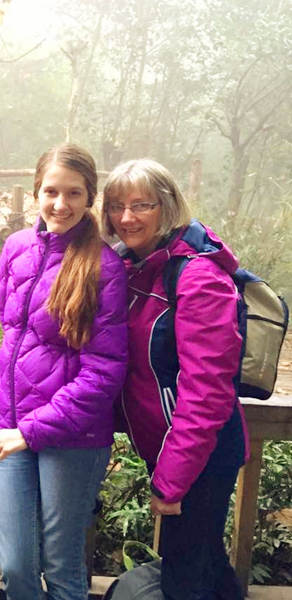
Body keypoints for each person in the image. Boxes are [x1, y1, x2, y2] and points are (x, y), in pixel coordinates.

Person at [0, 143, 128, 599]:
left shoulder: (105, 267)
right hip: (7, 425)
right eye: (51, 192)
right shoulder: (15, 247)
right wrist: (12, 419)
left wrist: (32, 430)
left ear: (90, 199)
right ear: (35, 193)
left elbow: (103, 372)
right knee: (17, 567)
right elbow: (10, 328)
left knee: (62, 567)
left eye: (74, 194)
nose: (60, 204)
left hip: (73, 438)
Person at [102, 159, 247, 599]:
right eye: (116, 206)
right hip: (168, 449)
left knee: (185, 579)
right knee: (206, 566)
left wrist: (171, 480)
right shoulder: (136, 267)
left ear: (167, 207)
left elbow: (207, 393)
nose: (127, 218)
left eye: (141, 205)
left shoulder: (198, 278)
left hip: (199, 457)